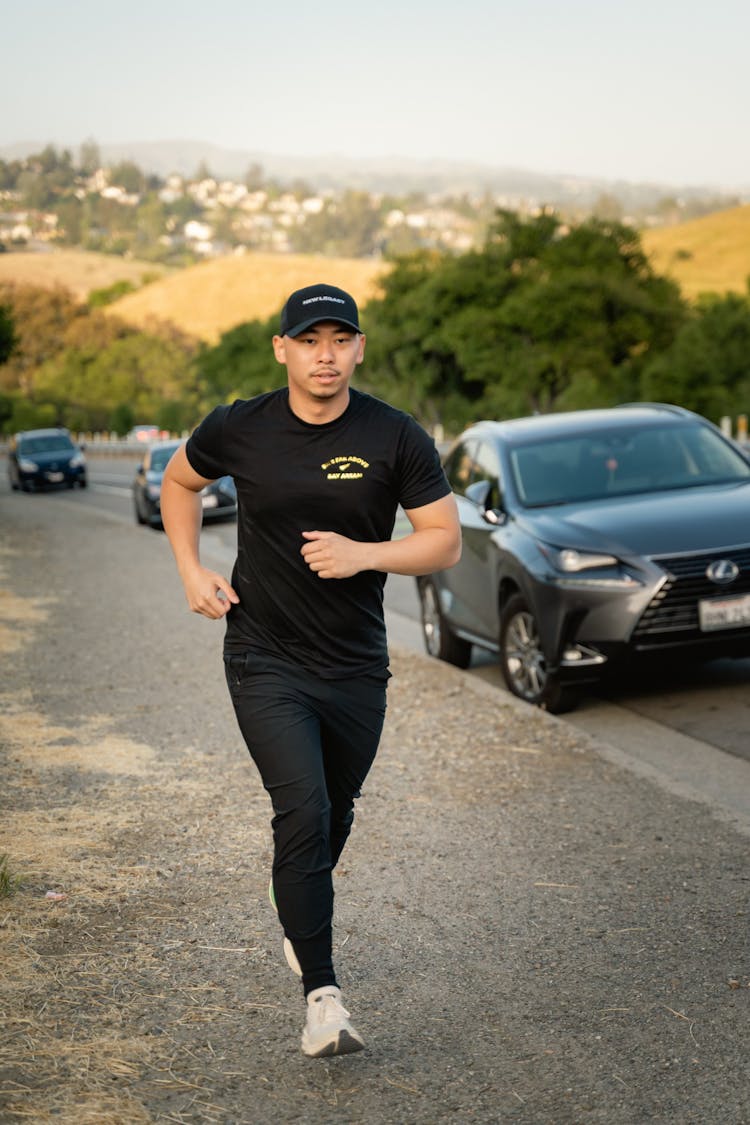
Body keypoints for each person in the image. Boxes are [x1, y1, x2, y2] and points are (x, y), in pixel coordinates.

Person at [161, 283, 461, 1058]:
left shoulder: (395, 436)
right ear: (282, 350)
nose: (324, 353)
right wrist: (191, 569)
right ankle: (323, 998)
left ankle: (296, 900)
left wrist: (365, 553)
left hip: (356, 663)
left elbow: (443, 542)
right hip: (263, 653)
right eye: (308, 339)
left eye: (339, 338)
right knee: (301, 809)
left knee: (334, 810)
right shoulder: (240, 425)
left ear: (359, 347)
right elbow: (178, 482)